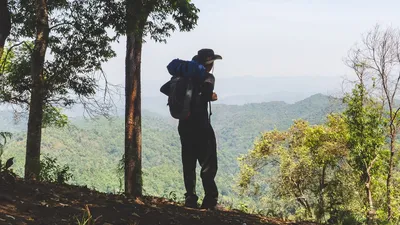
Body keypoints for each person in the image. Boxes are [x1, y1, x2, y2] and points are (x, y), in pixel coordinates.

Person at [178, 48, 222, 210]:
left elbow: (165, 89)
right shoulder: (208, 77)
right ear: (209, 64)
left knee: (188, 161)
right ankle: (210, 200)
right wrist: (211, 96)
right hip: (201, 125)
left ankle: (190, 197)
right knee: (208, 163)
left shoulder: (182, 76)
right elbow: (206, 95)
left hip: (184, 125)